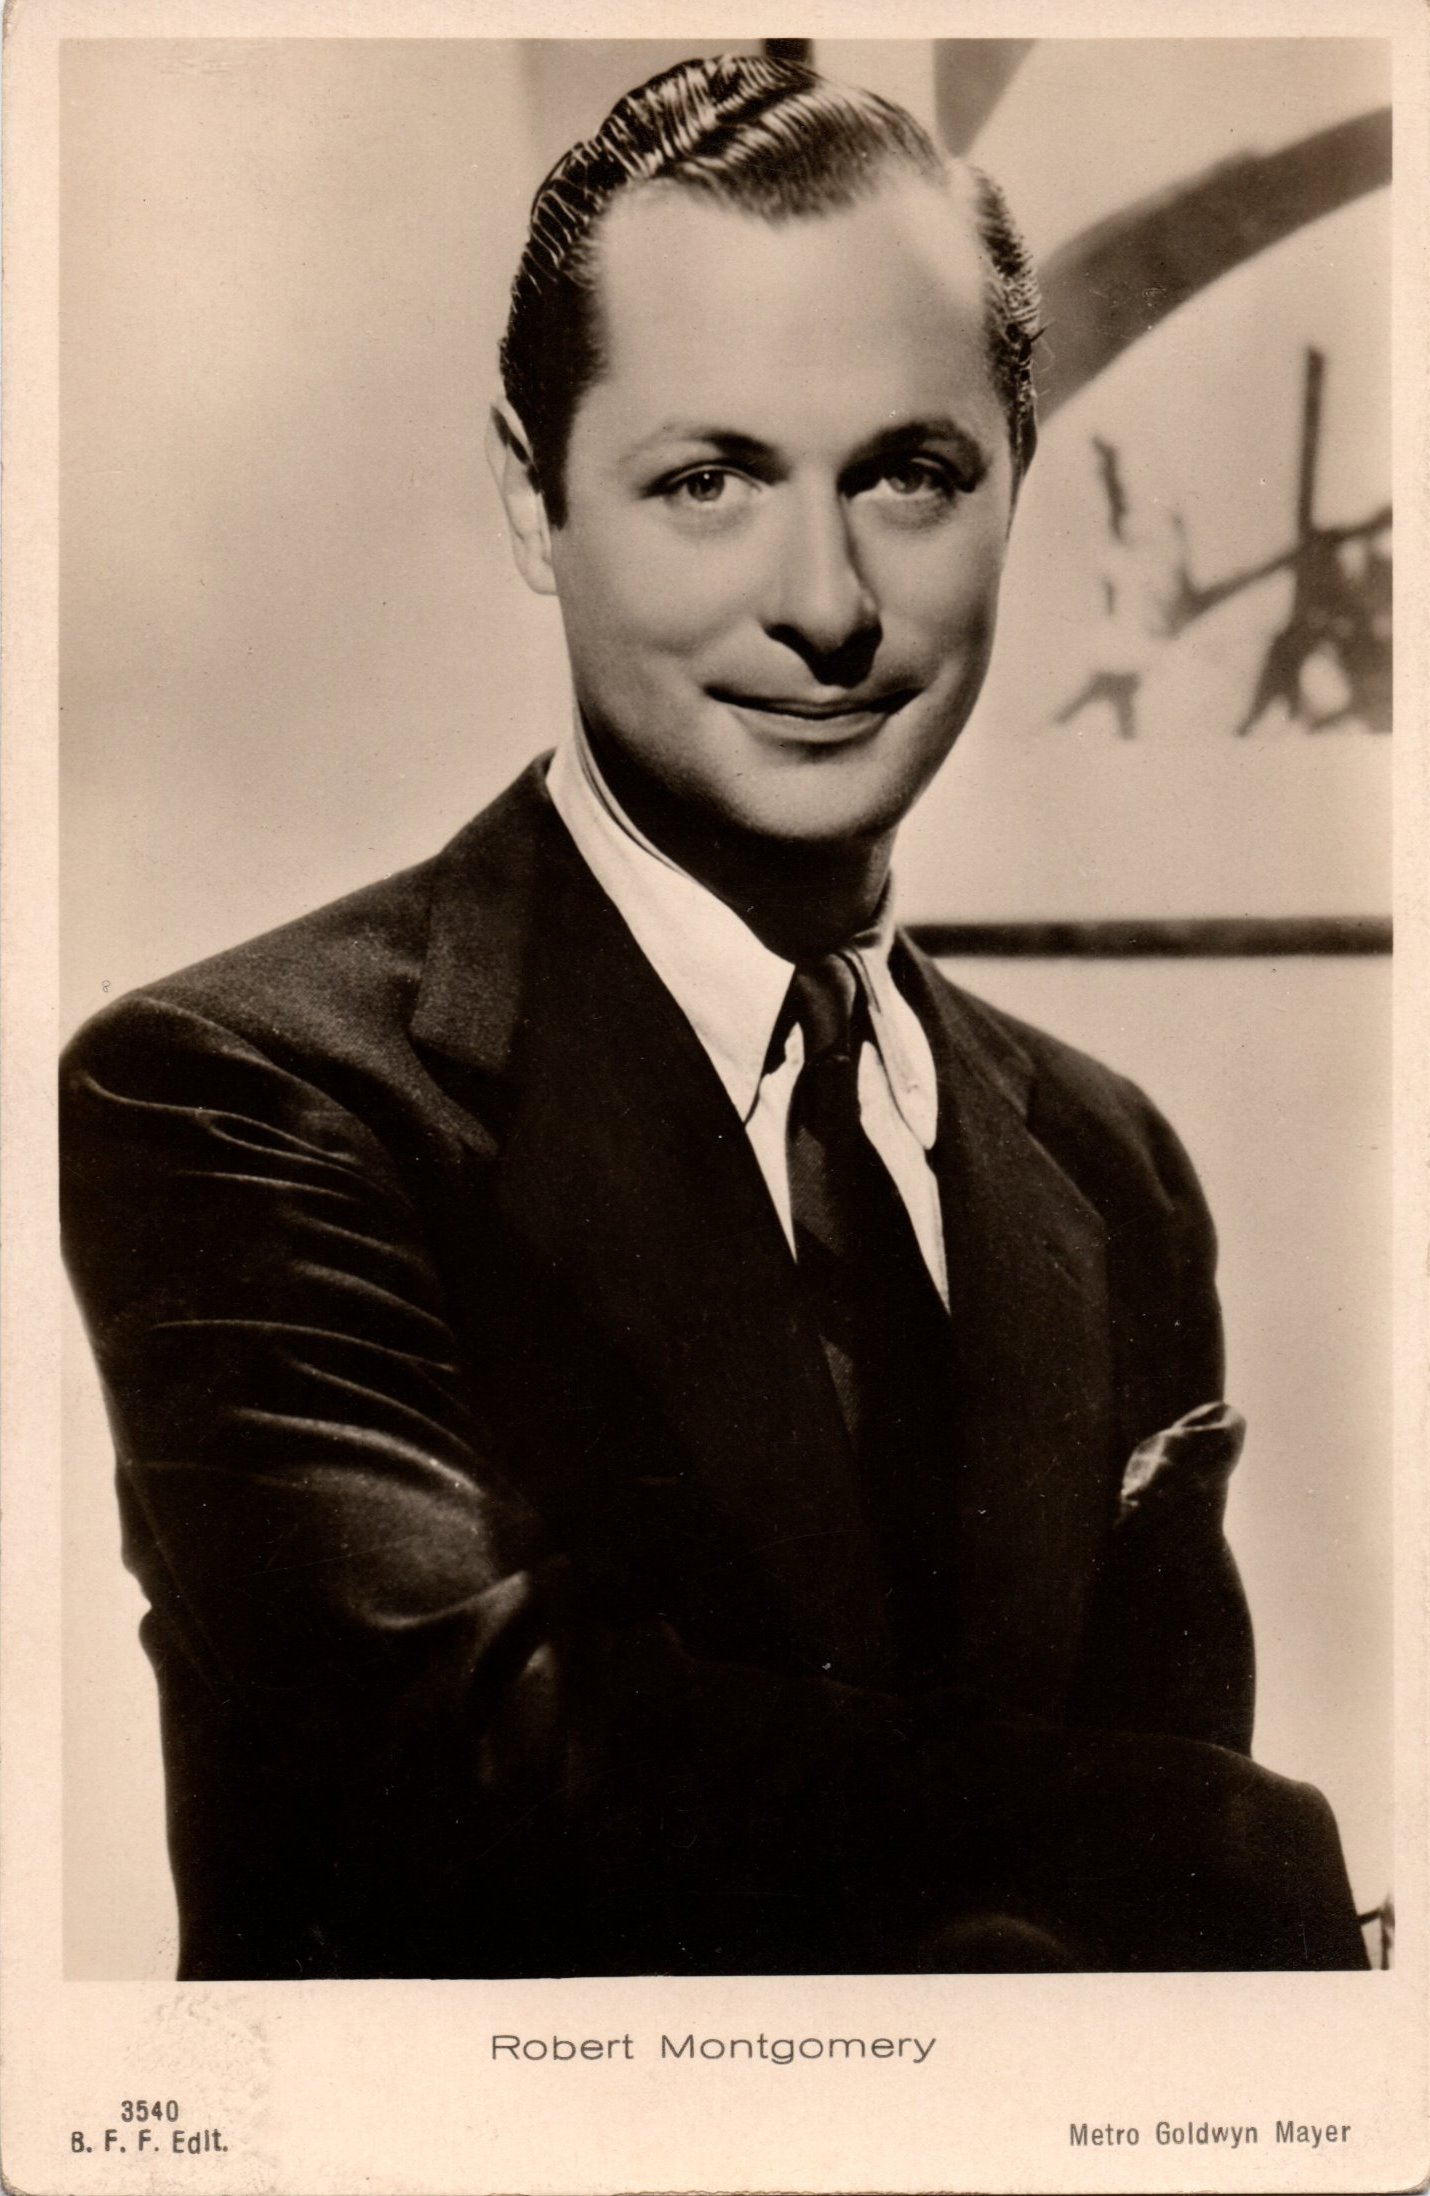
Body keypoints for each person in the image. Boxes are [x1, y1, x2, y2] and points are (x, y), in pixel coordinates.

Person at [60, 54, 1366, 1980]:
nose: (823, 604)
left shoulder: (1108, 1164)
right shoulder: (247, 1094)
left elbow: (1147, 1979)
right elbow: (471, 1789)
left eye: (909, 475)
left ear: (1013, 481)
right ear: (533, 498)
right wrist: (1246, 1848)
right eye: (707, 481)